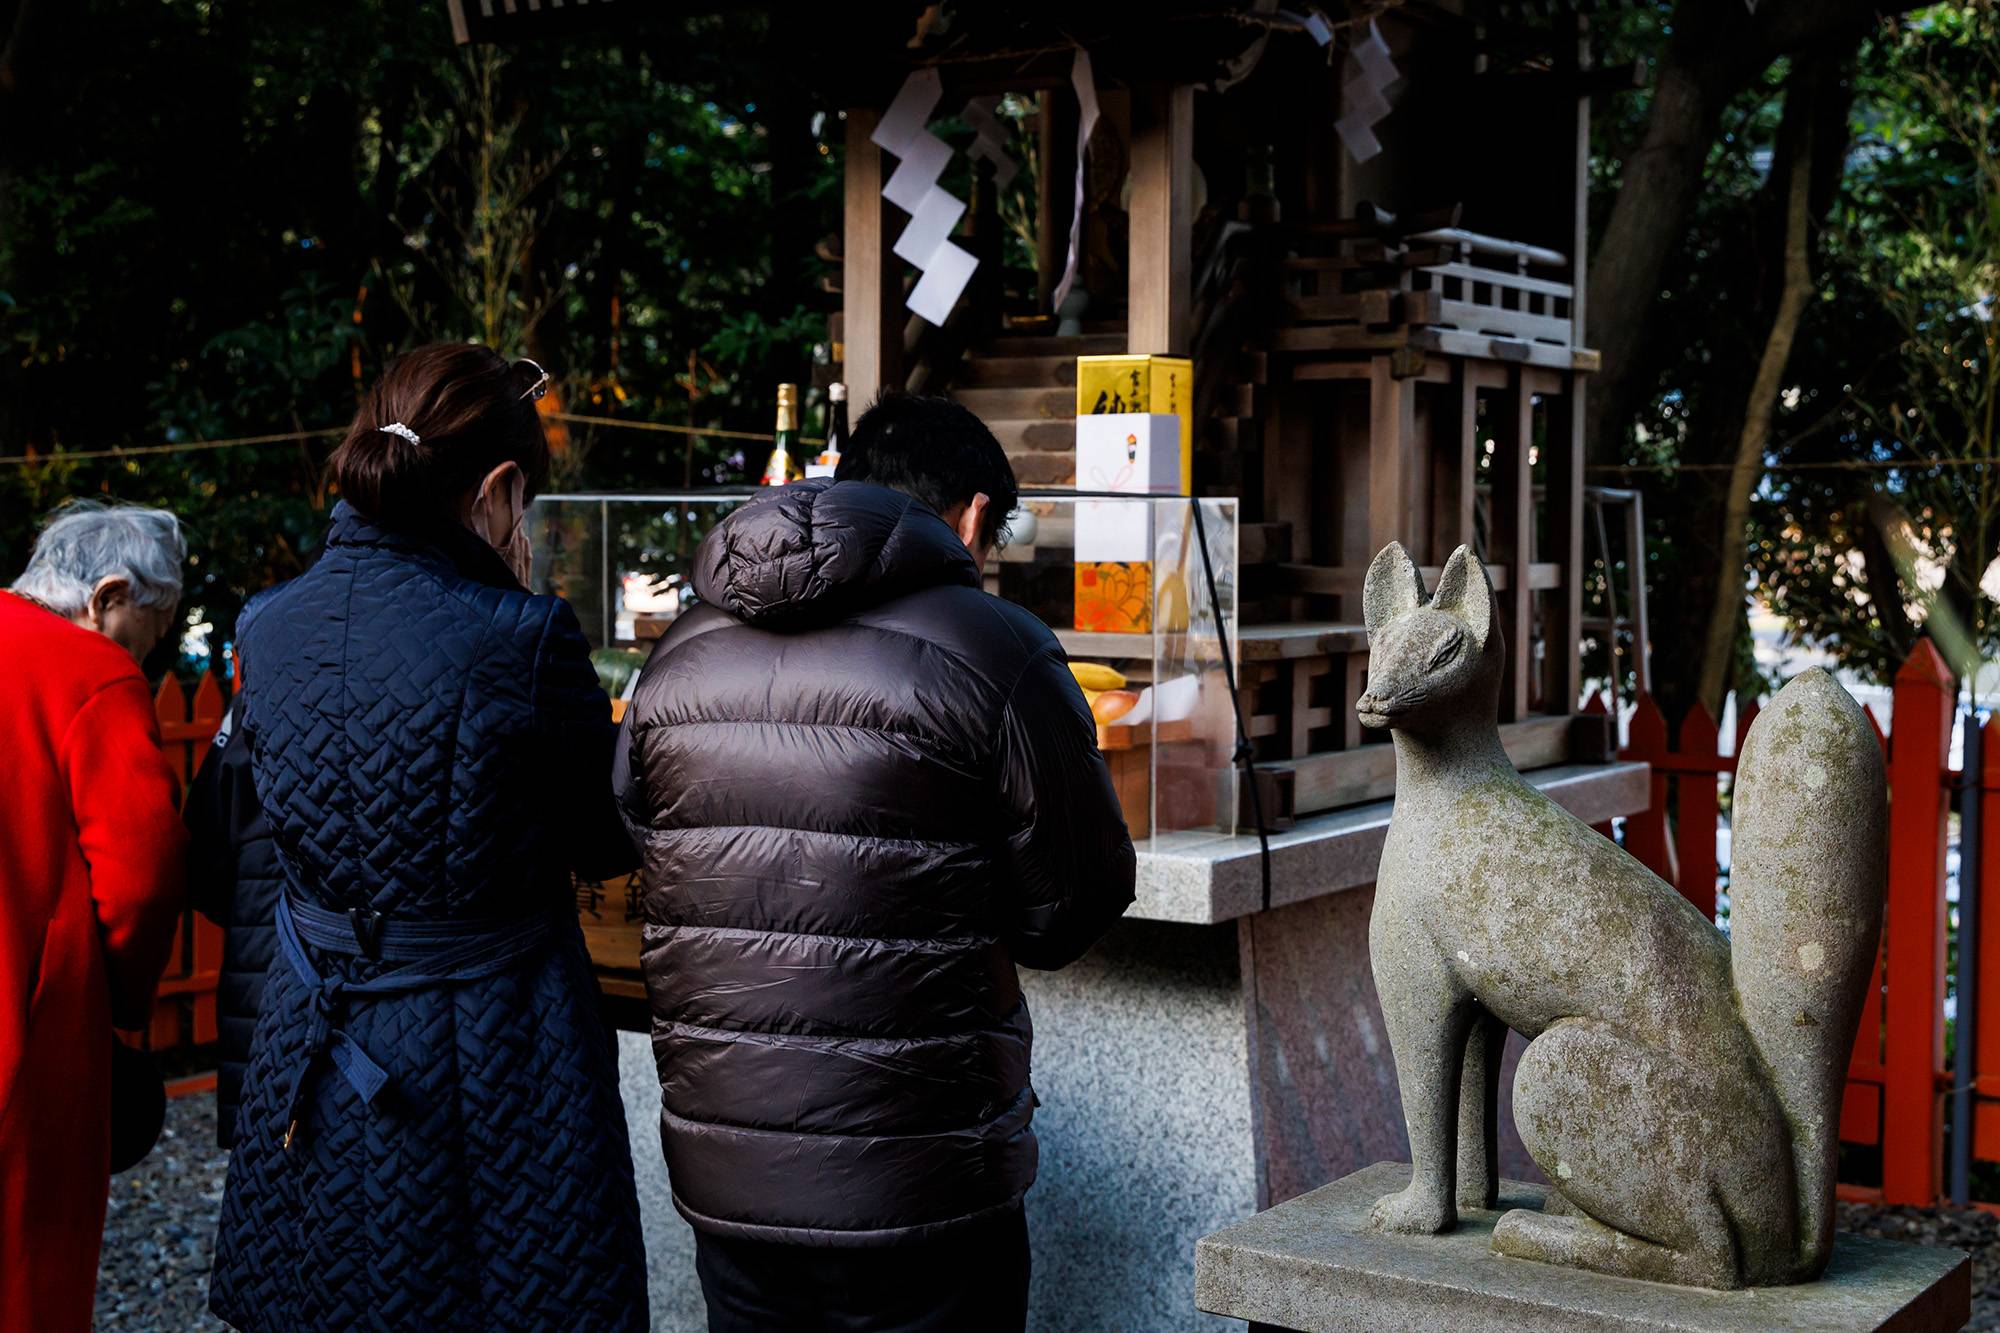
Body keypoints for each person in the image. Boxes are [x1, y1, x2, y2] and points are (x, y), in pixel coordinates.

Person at [621, 392, 1137, 1332]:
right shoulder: (995, 648)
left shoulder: (679, 656)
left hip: (735, 1184)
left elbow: (640, 847)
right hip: (927, 1181)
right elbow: (1074, 906)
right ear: (975, 514)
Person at [204, 344, 648, 1331]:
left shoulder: (267, 624)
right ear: (496, 490)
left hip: (310, 1025)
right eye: (522, 503)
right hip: (497, 1046)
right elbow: (607, 844)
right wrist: (527, 610)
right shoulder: (521, 636)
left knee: (325, 1296)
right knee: (516, 1296)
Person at [1, 502, 189, 1333]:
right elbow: (142, 872)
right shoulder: (89, 670)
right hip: (27, 1031)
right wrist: (114, 1004)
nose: (142, 662)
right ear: (107, 595)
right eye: (144, 634)